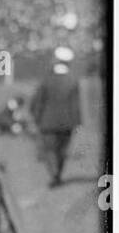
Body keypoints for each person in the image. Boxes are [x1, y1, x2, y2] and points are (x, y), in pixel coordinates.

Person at [29, 46, 82, 187]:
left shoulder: (46, 79)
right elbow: (75, 105)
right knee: (62, 150)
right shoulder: (72, 80)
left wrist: (35, 116)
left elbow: (39, 101)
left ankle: (54, 174)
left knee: (50, 149)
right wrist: (76, 122)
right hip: (67, 122)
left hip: (48, 122)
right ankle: (57, 173)